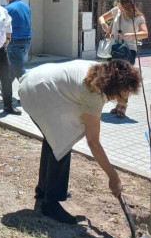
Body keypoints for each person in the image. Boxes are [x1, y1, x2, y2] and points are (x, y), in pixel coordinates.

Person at [19, 59, 141, 224]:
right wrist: (113, 176)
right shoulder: (93, 94)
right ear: (114, 87)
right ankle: (51, 203)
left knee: (55, 137)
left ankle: (43, 190)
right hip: (37, 92)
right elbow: (93, 142)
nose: (122, 99)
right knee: (62, 141)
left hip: (36, 80)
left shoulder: (100, 71)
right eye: (122, 94)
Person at [98, 0, 148, 118]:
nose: (119, 9)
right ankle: (118, 104)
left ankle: (123, 106)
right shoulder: (116, 11)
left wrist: (129, 34)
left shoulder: (138, 18)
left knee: (124, 80)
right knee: (113, 79)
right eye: (118, 6)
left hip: (128, 51)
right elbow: (101, 18)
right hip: (114, 50)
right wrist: (105, 26)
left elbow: (145, 33)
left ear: (128, 6)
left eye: (121, 7)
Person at [4, 0, 33, 83]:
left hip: (14, 41)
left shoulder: (8, 8)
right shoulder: (26, 6)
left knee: (18, 68)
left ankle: (29, 88)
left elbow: (3, 25)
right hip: (26, 40)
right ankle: (4, 86)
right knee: (14, 64)